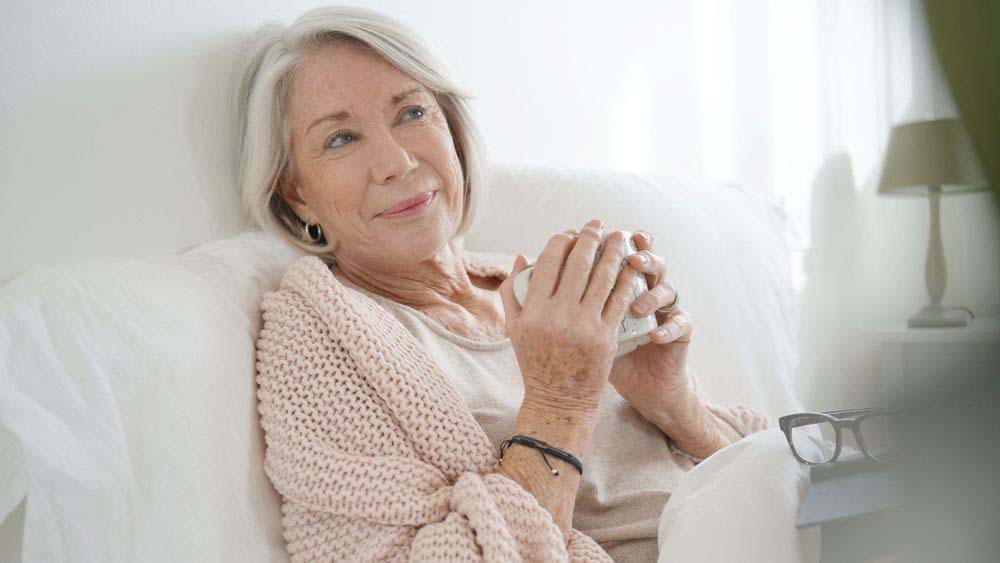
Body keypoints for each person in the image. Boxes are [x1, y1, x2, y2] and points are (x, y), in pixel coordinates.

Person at [237, 6, 773, 561]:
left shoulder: (540, 290)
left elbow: (764, 475)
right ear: (296, 194)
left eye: (411, 112)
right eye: (342, 139)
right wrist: (560, 401)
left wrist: (674, 404)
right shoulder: (319, 336)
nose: (395, 162)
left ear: (451, 128)